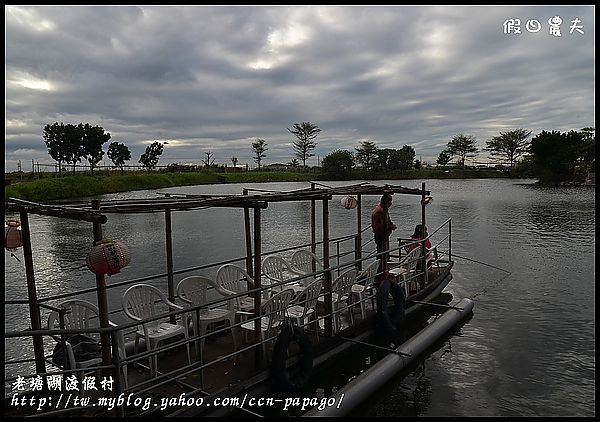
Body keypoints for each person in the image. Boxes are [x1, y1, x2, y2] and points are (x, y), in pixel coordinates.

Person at [371, 194, 405, 339]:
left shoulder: (382, 210)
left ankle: (383, 274)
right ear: (386, 202)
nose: (391, 204)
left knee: (385, 256)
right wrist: (390, 226)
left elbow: (384, 224)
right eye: (390, 202)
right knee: (382, 256)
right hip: (381, 237)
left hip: (384, 237)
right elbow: (379, 228)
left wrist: (390, 225)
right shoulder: (379, 211)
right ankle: (381, 277)